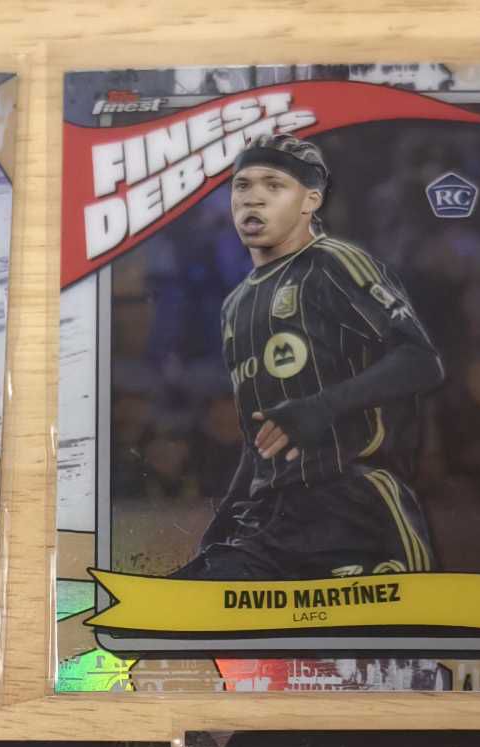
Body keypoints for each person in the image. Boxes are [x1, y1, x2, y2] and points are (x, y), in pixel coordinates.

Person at [181, 135, 445, 582]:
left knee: (391, 628)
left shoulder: (332, 263)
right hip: (271, 520)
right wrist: (222, 522)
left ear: (310, 200)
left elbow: (421, 360)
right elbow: (261, 438)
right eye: (243, 185)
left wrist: (321, 407)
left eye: (273, 185)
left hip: (354, 509)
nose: (253, 198)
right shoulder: (235, 305)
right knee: (184, 601)